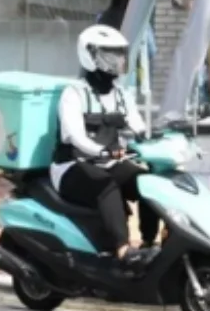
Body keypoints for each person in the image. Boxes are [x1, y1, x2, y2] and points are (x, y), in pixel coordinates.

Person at [52, 25, 160, 270]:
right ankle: (122, 249)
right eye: (109, 55)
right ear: (90, 56)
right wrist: (102, 151)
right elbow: (76, 137)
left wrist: (155, 140)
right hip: (72, 165)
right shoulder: (74, 93)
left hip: (108, 161)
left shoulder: (122, 95)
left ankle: (149, 243)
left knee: (148, 182)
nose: (118, 61)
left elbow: (139, 127)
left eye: (120, 55)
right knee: (107, 185)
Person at [97, 0, 155, 102]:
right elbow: (151, 50)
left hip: (104, 75)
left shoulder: (103, 18)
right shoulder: (140, 21)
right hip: (129, 78)